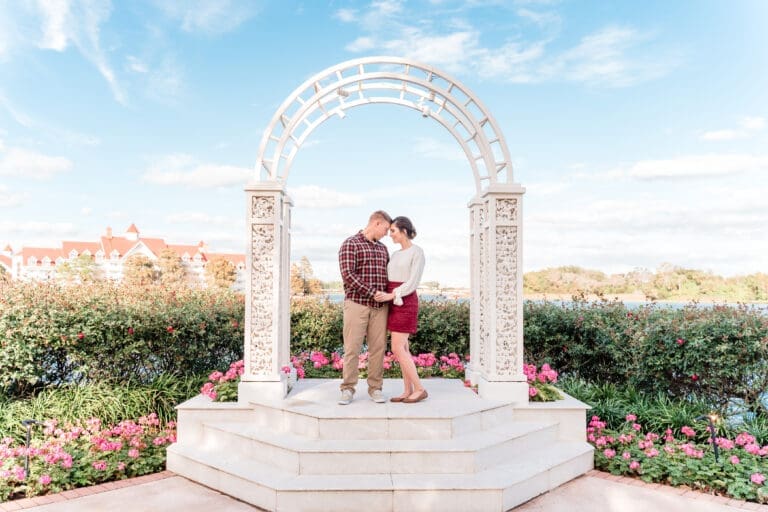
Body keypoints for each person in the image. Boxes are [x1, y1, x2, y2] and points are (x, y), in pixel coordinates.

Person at [337, 210, 393, 405]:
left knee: (378, 349)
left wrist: (390, 296)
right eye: (386, 229)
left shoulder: (383, 249)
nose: (387, 233)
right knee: (352, 348)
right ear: (376, 223)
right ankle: (348, 389)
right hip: (356, 305)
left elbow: (388, 278)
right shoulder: (350, 244)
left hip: (380, 308)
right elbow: (348, 275)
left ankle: (375, 388)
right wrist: (372, 293)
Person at [374, 216, 427, 403]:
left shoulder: (417, 252)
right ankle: (407, 390)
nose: (390, 235)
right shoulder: (395, 254)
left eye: (393, 231)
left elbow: (413, 282)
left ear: (404, 230)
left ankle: (420, 389)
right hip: (392, 302)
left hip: (405, 302)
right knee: (403, 348)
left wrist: (392, 295)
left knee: (397, 348)